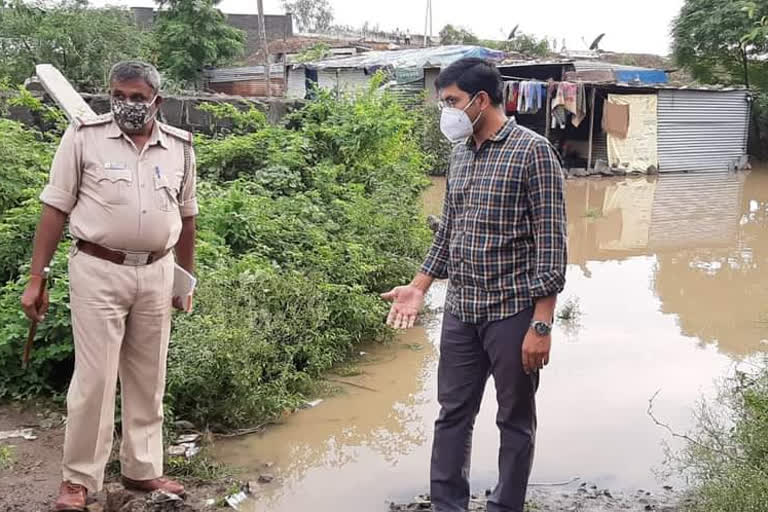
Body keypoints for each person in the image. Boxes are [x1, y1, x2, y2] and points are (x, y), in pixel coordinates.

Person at [382, 58, 567, 512]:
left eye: (451, 101)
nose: (446, 111)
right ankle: (449, 505)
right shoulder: (460, 152)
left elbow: (551, 241)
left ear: (481, 101)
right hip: (462, 312)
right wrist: (420, 285)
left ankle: (506, 506)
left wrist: (541, 324)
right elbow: (449, 229)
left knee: (515, 420)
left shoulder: (533, 151)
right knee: (453, 416)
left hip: (512, 312)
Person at [20, 60, 198, 512]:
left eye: (138, 97)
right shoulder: (84, 137)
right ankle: (78, 480)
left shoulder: (180, 146)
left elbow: (188, 216)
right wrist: (36, 277)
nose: (127, 104)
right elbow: (55, 208)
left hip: (157, 273)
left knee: (147, 376)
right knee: (95, 379)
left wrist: (185, 279)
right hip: (98, 270)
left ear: (156, 101)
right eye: (119, 94)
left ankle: (141, 469)